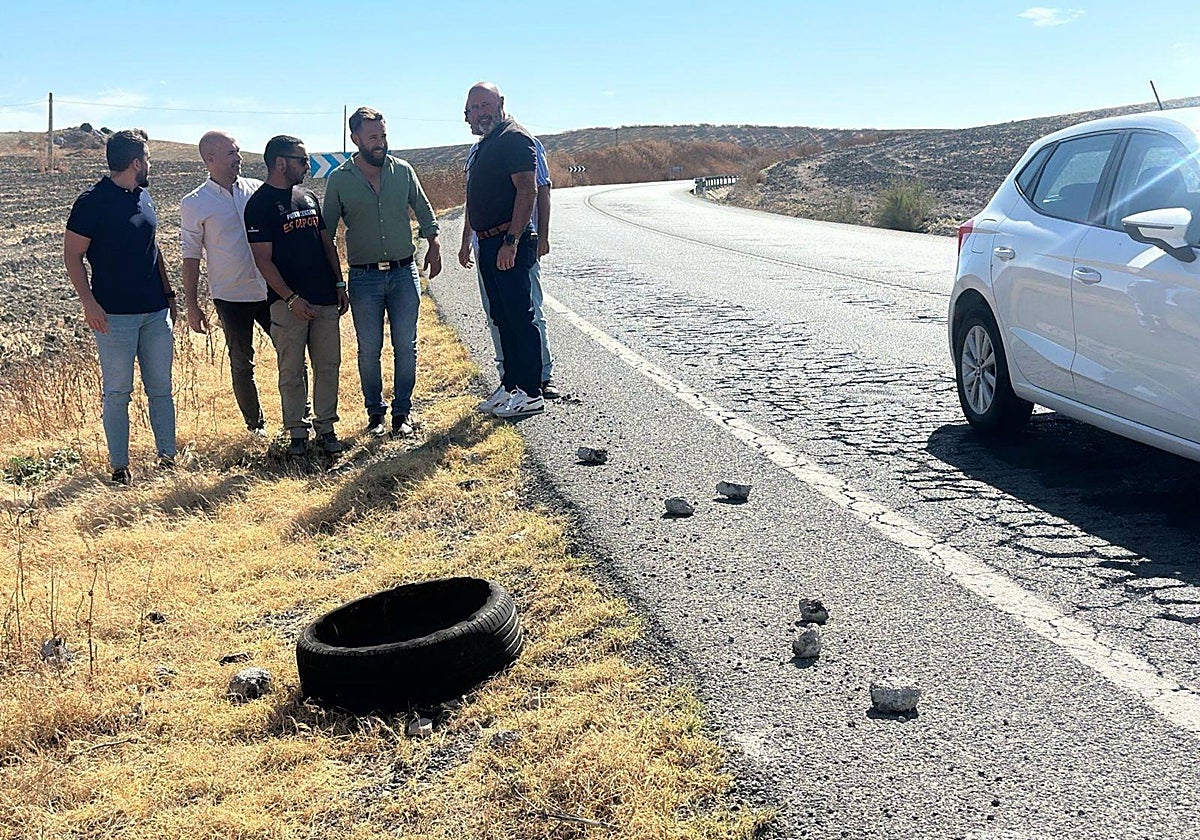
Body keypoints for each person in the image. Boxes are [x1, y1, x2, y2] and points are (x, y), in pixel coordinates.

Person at [63, 128, 177, 485]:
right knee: (117, 393)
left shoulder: (144, 197)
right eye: (148, 158)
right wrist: (89, 304)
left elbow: (153, 250)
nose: (150, 165)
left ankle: (168, 460)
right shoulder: (91, 202)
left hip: (155, 313)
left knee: (161, 388)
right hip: (113, 318)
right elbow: (72, 256)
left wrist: (169, 295)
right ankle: (119, 468)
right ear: (136, 162)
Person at [324, 107, 441, 438]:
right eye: (373, 137)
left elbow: (424, 210)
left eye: (384, 136)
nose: (380, 143)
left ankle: (402, 413)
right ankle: (375, 414)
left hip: (405, 274)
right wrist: (335, 281)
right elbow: (326, 233)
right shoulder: (340, 180)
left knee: (407, 345)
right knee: (369, 349)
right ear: (356, 139)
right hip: (364, 279)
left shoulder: (403, 171)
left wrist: (433, 243)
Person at [243, 135, 348, 456]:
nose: (307, 165)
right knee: (291, 369)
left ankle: (327, 427)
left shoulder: (309, 197)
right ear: (280, 162)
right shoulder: (259, 205)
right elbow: (263, 259)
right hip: (287, 305)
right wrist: (290, 298)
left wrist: (340, 284)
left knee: (328, 365)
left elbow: (326, 242)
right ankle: (297, 432)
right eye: (302, 160)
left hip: (325, 298)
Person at [180, 131, 274, 437]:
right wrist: (192, 305)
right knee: (242, 364)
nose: (239, 157)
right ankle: (255, 427)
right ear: (210, 159)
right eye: (232, 152)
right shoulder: (194, 203)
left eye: (238, 151)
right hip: (231, 297)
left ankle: (300, 418)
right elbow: (191, 256)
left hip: (271, 290)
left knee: (292, 353)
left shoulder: (258, 190)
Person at [458, 125, 558, 412]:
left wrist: (515, 240)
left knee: (522, 316)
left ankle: (532, 390)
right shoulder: (480, 148)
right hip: (486, 243)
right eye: (472, 109)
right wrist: (467, 240)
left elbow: (534, 190)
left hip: (509, 240)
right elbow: (473, 200)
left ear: (500, 104)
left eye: (484, 105)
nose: (478, 114)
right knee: (501, 316)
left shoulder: (516, 139)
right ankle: (511, 386)